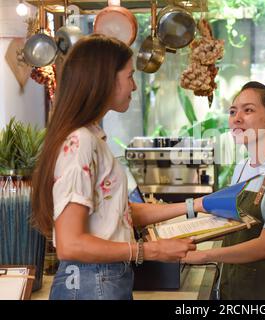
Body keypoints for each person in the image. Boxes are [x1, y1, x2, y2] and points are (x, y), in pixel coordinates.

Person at [31, 35, 201, 300]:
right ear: (105, 79)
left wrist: (194, 207)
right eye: (130, 76)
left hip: (103, 280)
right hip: (92, 282)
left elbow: (118, 212)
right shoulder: (81, 142)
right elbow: (70, 244)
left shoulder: (92, 137)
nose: (134, 86)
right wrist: (150, 251)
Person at [183, 81, 265, 300]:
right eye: (233, 111)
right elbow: (234, 222)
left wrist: (205, 256)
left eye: (248, 110)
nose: (236, 118)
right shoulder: (242, 167)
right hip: (235, 286)